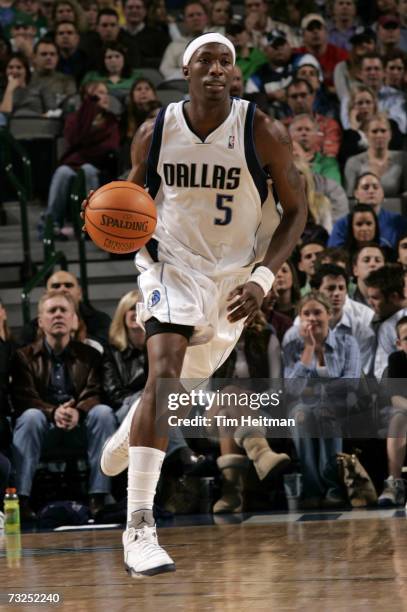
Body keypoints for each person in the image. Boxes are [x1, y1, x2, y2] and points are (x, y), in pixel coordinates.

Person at [92, 33, 307, 576]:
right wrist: (106, 217)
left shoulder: (261, 129)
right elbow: (130, 196)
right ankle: (139, 527)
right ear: (186, 71)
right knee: (164, 379)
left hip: (232, 276)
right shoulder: (156, 129)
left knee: (176, 390)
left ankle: (127, 434)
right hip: (171, 265)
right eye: (206, 61)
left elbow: (297, 209)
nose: (217, 70)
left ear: (234, 73)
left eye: (226, 62)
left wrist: (262, 276)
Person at [11, 291, 117, 520]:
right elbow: (24, 397)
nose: (58, 315)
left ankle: (99, 497)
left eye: (63, 310)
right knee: (30, 417)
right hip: (43, 428)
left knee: (104, 413)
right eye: (51, 311)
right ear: (40, 321)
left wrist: (78, 412)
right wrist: (53, 412)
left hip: (80, 428)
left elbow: (95, 391)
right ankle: (21, 500)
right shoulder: (23, 357)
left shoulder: (90, 355)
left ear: (75, 320)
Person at [283, 291, 361, 508]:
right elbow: (292, 388)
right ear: (300, 317)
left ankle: (333, 487)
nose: (312, 318)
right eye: (306, 313)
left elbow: (351, 382)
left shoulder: (347, 343)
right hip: (302, 406)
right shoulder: (292, 347)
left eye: (317, 312)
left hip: (340, 404)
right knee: (301, 418)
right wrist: (308, 349)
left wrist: (314, 391)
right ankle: (312, 489)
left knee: (325, 412)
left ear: (329, 314)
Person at [42, 80, 120, 237]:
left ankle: (93, 225)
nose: (105, 97)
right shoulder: (74, 119)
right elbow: (74, 139)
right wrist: (87, 113)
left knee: (87, 170)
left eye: (106, 93)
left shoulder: (111, 120)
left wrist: (84, 150)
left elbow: (109, 147)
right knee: (62, 172)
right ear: (88, 98)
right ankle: (51, 224)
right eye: (100, 93)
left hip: (99, 165)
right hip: (73, 163)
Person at [21, 270, 112, 346]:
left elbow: (103, 353)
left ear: (79, 293)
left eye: (68, 285)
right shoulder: (31, 328)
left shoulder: (100, 320)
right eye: (56, 286)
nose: (62, 289)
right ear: (46, 294)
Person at [328, 172, 407, 249]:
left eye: (375, 187)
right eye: (366, 187)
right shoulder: (342, 224)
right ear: (356, 193)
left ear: (382, 193)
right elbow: (334, 255)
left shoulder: (398, 221)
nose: (371, 191)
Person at [377, 315, 407, 507]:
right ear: (398, 343)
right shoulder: (396, 360)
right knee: (398, 418)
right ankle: (394, 483)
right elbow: (396, 399)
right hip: (405, 411)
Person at [344, 113, 407, 197]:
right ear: (366, 135)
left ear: (390, 134)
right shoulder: (353, 162)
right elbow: (350, 198)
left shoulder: (403, 158)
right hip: (364, 208)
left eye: (383, 131)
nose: (379, 135)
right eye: (374, 131)